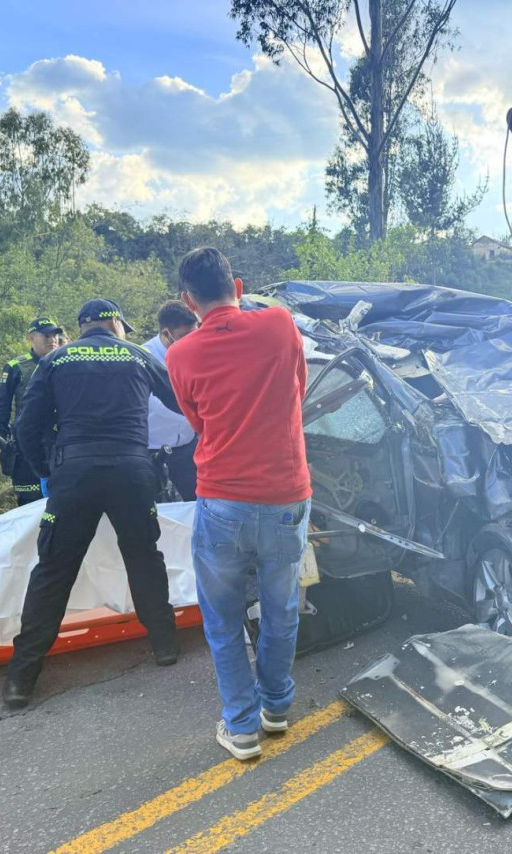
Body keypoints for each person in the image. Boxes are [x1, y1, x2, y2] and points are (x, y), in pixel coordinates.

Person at [168, 248, 311, 760]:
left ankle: (242, 727)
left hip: (222, 499)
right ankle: (276, 708)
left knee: (223, 618)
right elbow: (298, 389)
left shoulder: (179, 354)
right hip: (286, 495)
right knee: (281, 606)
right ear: (240, 285)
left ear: (188, 300)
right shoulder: (278, 324)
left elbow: (198, 423)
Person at [3, 298, 182, 707]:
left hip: (74, 472)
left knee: (53, 570)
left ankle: (21, 679)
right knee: (143, 556)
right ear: (115, 324)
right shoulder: (138, 356)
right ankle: (165, 646)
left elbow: (25, 425)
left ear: (82, 327)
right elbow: (182, 401)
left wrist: (47, 470)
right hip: (132, 470)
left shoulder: (55, 359)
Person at [0, 317, 64, 505]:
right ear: (31, 338)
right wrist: (0, 439)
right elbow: (3, 405)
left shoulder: (67, 362)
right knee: (29, 501)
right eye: (46, 335)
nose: (52, 340)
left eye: (56, 335)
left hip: (61, 442)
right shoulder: (16, 366)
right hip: (27, 444)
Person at [145, 300, 199, 502]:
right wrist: (199, 412)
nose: (193, 341)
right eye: (186, 337)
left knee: (197, 501)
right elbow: (157, 405)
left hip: (187, 444)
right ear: (167, 334)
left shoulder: (197, 352)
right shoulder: (146, 358)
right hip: (153, 447)